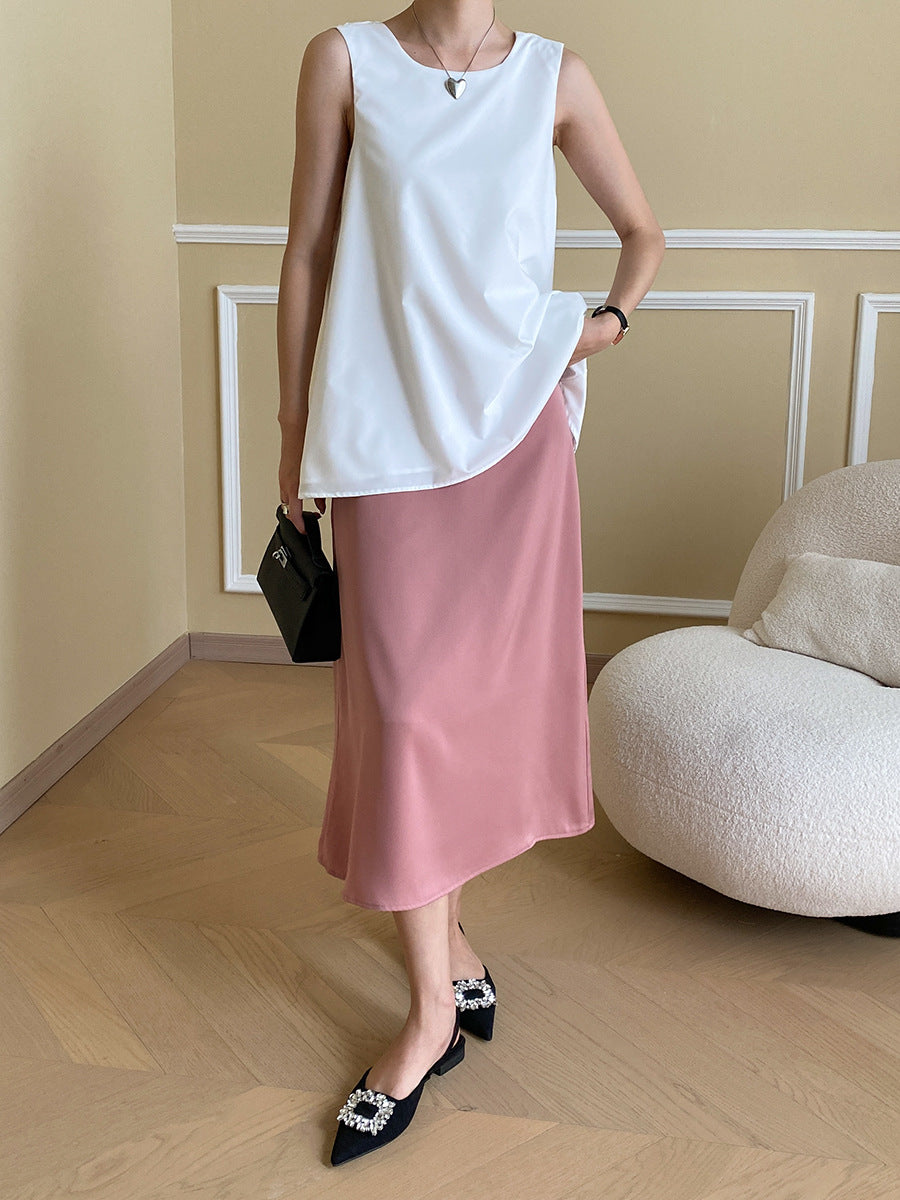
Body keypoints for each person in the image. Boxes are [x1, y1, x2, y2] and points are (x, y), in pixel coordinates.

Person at [275, 2, 665, 1165]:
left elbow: (642, 231)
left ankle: (442, 971)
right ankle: (437, 1003)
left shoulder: (556, 77)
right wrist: (292, 438)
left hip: (513, 443)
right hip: (384, 439)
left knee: (469, 713)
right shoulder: (344, 60)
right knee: (404, 715)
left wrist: (605, 322)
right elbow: (306, 252)